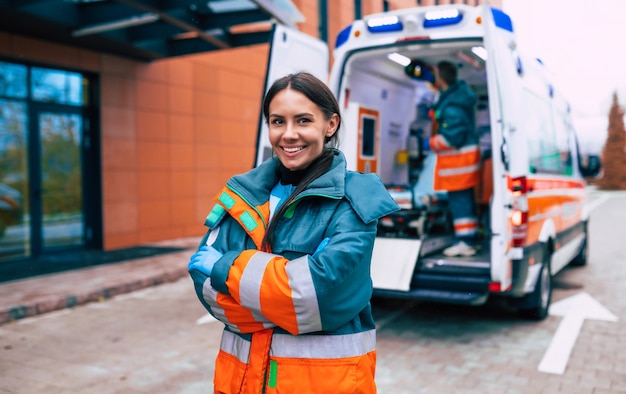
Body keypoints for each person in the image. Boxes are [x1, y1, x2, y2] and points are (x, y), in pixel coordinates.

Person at [188, 71, 399, 394]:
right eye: (277, 121)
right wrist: (282, 296)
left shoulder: (354, 200)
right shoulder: (242, 194)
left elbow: (319, 298)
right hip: (242, 383)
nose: (288, 135)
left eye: (303, 121)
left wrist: (225, 267)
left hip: (323, 383)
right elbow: (207, 292)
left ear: (330, 125)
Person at [427, 61, 481, 257]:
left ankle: (465, 242)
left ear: (441, 78)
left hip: (460, 163)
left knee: (460, 203)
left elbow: (452, 137)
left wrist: (430, 143)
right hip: (461, 163)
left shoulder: (453, 106)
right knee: (463, 201)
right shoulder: (454, 100)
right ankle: (469, 239)